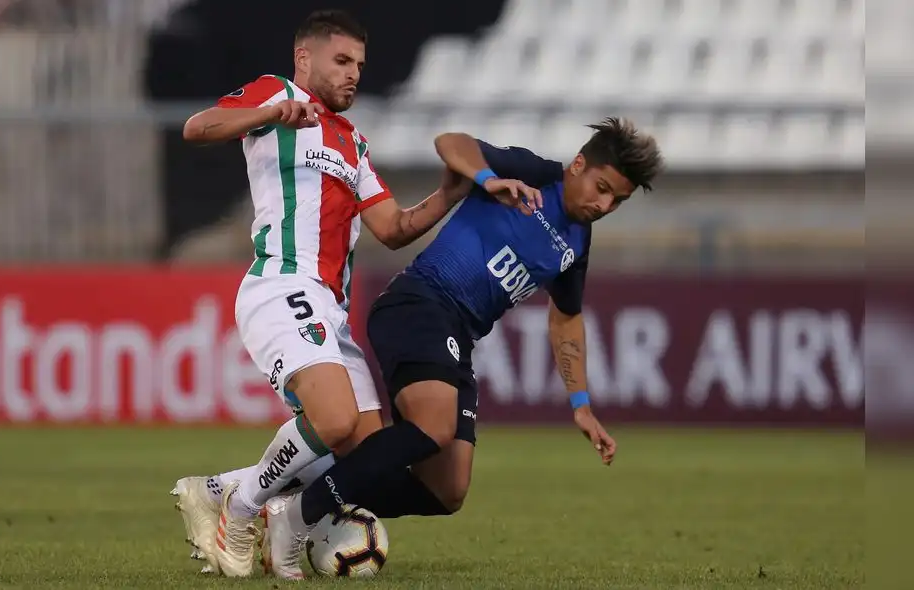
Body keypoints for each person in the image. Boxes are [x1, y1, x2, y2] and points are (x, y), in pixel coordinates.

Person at [169, 9, 539, 578]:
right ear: (304, 58)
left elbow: (393, 227)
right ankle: (241, 512)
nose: (353, 74)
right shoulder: (276, 95)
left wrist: (449, 194)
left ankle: (214, 490)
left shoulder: (352, 143)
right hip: (281, 283)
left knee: (366, 459)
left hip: (330, 309)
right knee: (336, 420)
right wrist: (267, 113)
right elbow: (197, 127)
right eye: (341, 61)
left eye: (359, 66)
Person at [259, 117, 665, 578]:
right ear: (578, 165)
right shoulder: (533, 174)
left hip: (459, 335)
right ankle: (299, 515)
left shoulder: (577, 242)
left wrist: (581, 405)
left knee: (446, 489)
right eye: (602, 188)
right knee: (433, 426)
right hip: (420, 301)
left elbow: (566, 317)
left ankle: (291, 490)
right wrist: (488, 178)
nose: (604, 205)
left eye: (617, 200)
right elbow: (450, 142)